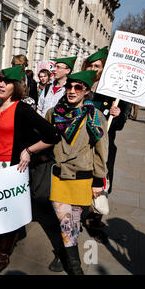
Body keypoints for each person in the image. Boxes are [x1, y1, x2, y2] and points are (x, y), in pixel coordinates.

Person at [0, 64, 60, 275]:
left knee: (6, 215)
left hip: (10, 170)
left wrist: (29, 150)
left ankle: (2, 256)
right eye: (0, 80)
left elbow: (52, 135)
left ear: (16, 86)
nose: (1, 84)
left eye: (7, 82)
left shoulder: (22, 109)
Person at [46, 70, 108, 275]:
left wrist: (99, 180)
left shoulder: (95, 116)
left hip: (83, 177)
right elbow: (46, 139)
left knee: (73, 222)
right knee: (66, 221)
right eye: (69, 87)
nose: (72, 91)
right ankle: (75, 267)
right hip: (60, 176)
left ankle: (63, 254)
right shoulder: (54, 112)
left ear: (87, 91)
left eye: (78, 87)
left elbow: (101, 150)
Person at [81, 46, 131, 243]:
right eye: (91, 65)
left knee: (101, 185)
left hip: (104, 147)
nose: (94, 69)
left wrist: (118, 115)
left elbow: (119, 126)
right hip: (82, 147)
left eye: (98, 66)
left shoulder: (114, 92)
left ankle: (94, 220)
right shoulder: (81, 87)